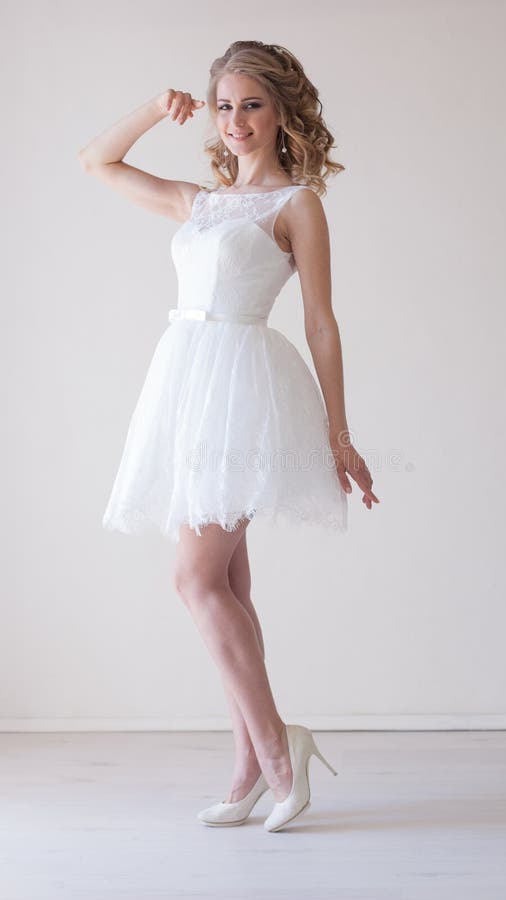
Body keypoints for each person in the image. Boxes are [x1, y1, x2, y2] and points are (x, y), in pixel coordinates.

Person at [78, 40, 380, 832]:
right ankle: (250, 766)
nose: (236, 120)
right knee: (230, 589)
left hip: (244, 391)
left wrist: (340, 433)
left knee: (196, 581)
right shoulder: (202, 201)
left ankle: (281, 752)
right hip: (185, 387)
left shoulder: (297, 204)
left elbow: (320, 321)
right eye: (223, 105)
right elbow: (96, 163)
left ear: (281, 111)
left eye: (251, 104)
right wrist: (153, 108)